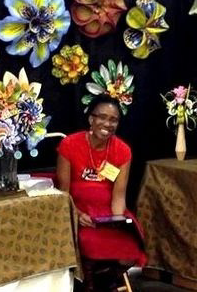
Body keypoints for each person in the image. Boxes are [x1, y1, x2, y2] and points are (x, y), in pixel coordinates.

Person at [56, 94, 145, 290]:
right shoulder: (69, 144)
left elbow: (119, 195)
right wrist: (77, 214)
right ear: (91, 119)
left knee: (129, 251)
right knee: (90, 246)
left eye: (113, 120)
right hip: (79, 212)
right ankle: (94, 284)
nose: (107, 124)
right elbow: (63, 193)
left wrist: (117, 220)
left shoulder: (123, 150)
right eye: (102, 117)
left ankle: (103, 283)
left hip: (107, 214)